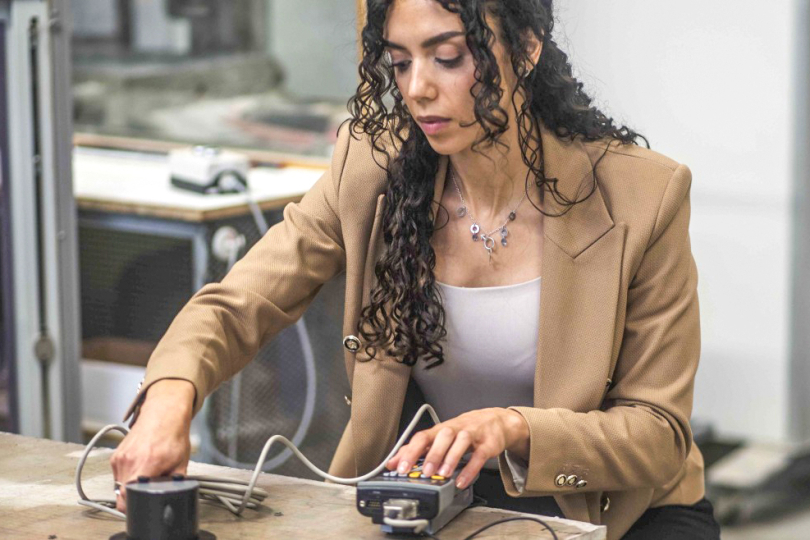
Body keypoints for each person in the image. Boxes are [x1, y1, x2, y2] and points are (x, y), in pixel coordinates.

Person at [110, 0, 721, 538]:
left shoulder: (642, 197)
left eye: (448, 57)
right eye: (400, 63)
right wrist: (170, 396)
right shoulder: (372, 168)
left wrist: (514, 429)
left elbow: (658, 433)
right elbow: (242, 301)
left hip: (616, 510)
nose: (418, 88)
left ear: (527, 49)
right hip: (436, 498)